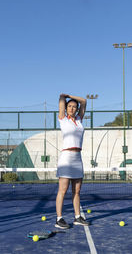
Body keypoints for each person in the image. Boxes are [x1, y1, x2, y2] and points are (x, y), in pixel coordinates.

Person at [55, 93, 90, 229]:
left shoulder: (79, 120)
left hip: (77, 157)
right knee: (63, 190)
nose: (72, 108)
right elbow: (61, 102)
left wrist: (71, 96)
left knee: (77, 191)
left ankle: (77, 217)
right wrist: (64, 96)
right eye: (69, 106)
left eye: (74, 106)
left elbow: (85, 101)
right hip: (66, 158)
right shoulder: (63, 119)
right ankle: (59, 218)